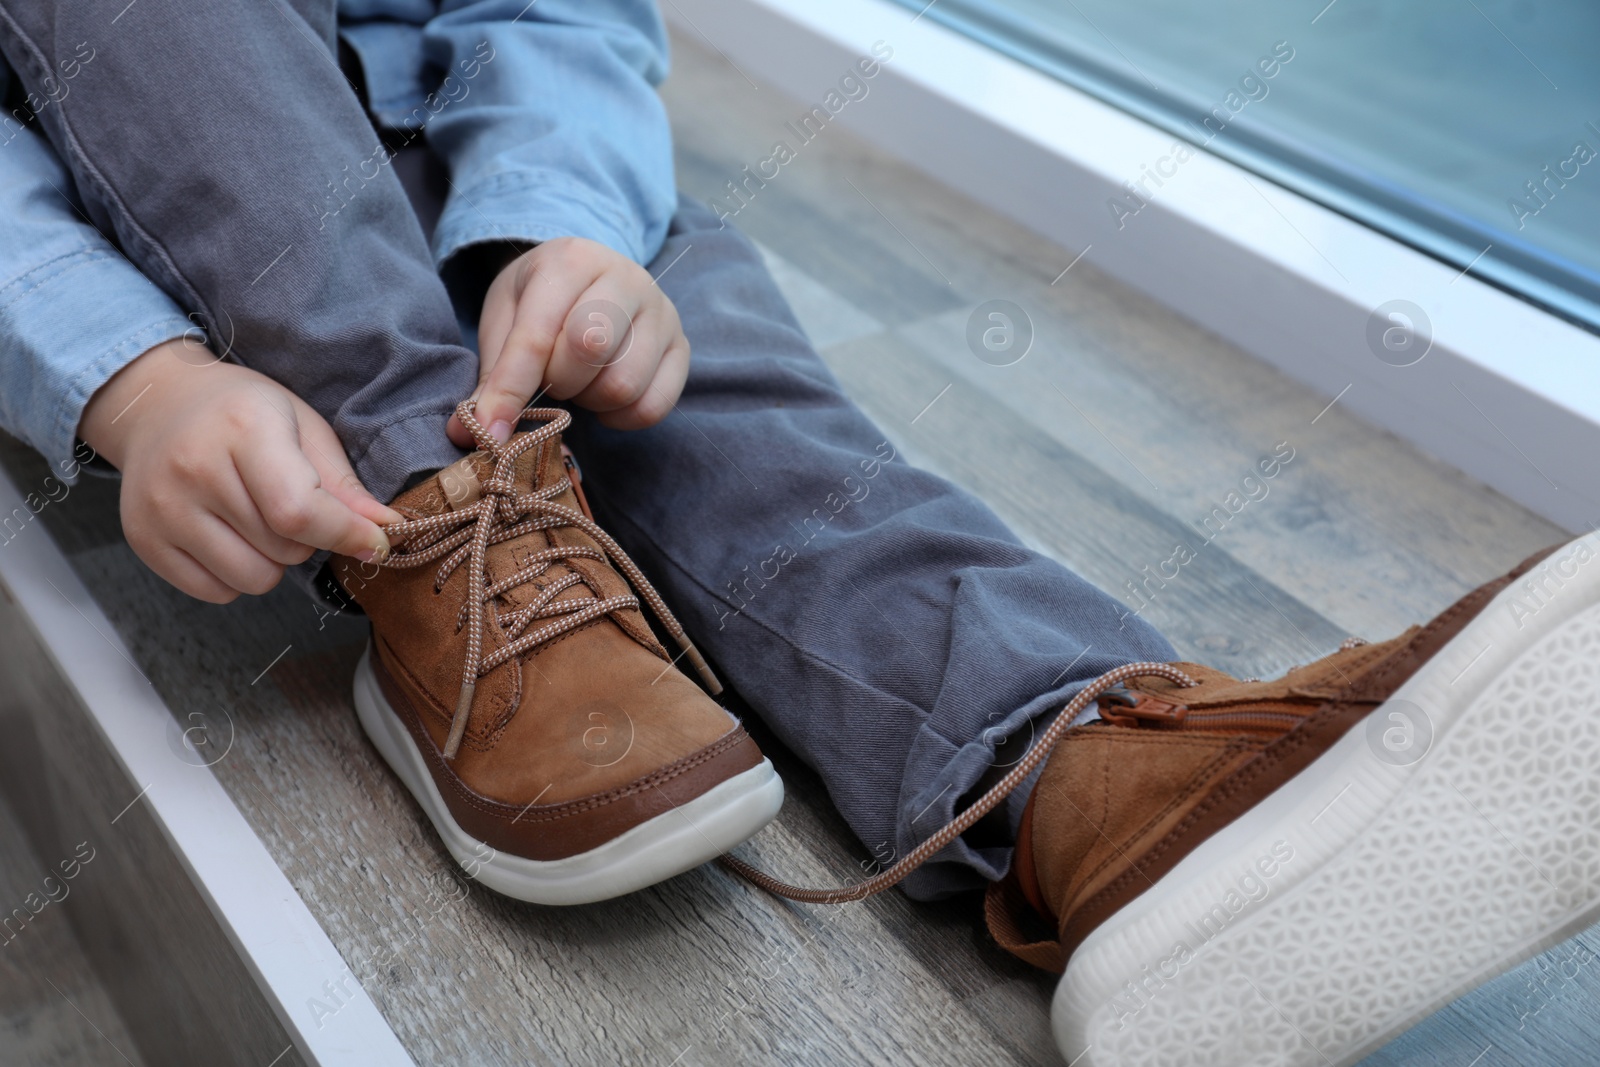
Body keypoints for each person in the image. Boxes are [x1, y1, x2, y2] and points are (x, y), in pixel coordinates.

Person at [2, 4, 1596, 1064]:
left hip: (456, 145)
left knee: (703, 383)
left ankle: (1084, 782)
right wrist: (130, 377)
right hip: (134, 203)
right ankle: (444, 528)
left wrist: (568, 216)